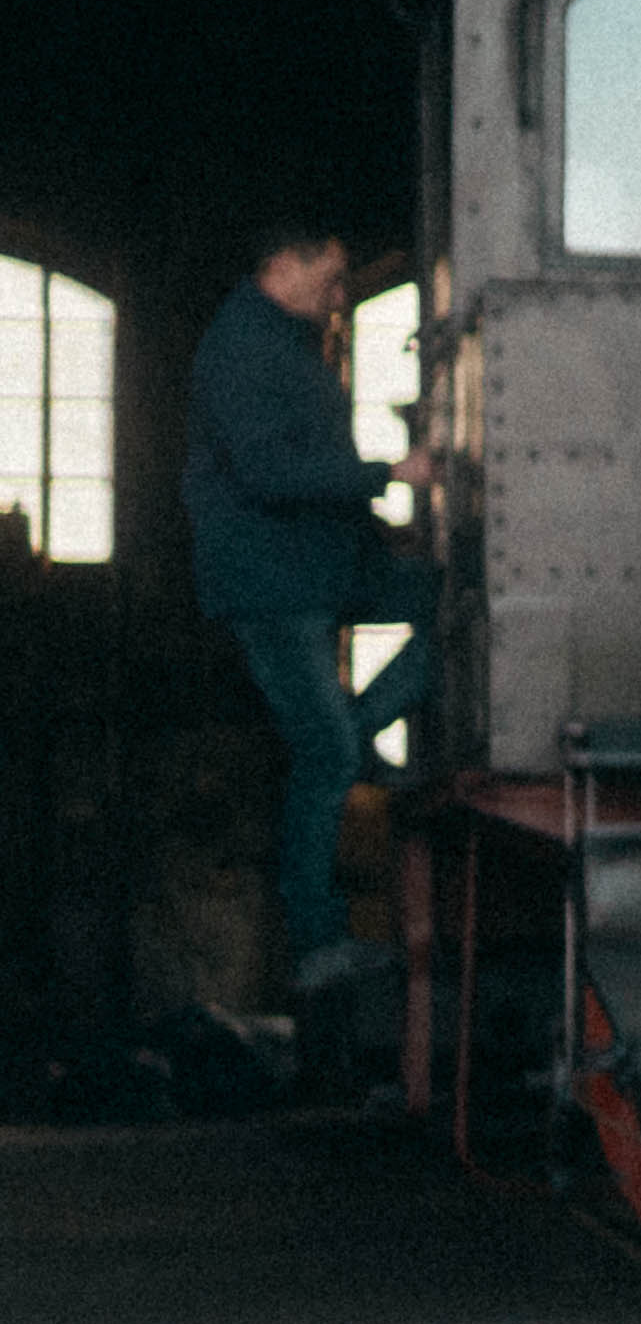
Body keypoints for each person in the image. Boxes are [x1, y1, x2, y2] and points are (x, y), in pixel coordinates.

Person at [185, 221, 428, 1046]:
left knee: (448, 602)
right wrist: (388, 473)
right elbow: (266, 472)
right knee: (321, 757)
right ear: (282, 265)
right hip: (272, 583)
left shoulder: (286, 342)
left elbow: (306, 455)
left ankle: (353, 734)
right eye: (330, 277)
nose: (339, 294)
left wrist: (378, 536)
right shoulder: (240, 348)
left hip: (321, 566)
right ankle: (320, 943)